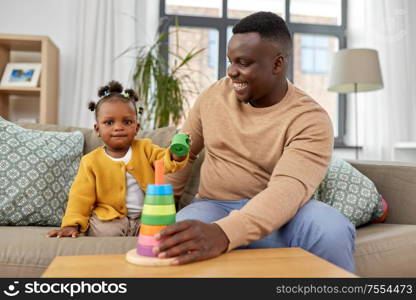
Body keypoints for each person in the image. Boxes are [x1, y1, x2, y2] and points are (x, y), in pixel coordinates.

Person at [153, 12, 356, 272]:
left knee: (332, 229)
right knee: (175, 240)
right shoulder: (213, 96)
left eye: (244, 63)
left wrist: (223, 234)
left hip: (285, 213)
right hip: (214, 206)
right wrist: (161, 206)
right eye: (230, 61)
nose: (231, 71)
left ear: (277, 64)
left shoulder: (310, 119)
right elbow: (184, 153)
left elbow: (288, 190)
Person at [47, 81, 189, 238]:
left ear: (136, 127)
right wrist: (71, 224)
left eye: (127, 122)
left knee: (160, 233)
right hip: (110, 217)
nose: (118, 127)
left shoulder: (145, 148)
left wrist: (177, 153)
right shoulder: (90, 162)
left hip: (146, 216)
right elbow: (80, 196)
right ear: (97, 129)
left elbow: (166, 162)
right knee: (105, 230)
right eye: (109, 122)